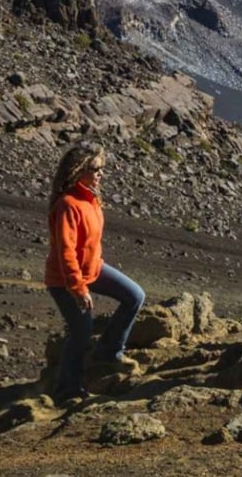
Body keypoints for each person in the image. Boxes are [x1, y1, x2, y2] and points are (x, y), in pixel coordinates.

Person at [45, 142, 146, 404]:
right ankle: (67, 389)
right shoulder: (68, 205)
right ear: (79, 170)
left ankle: (109, 352)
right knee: (81, 330)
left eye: (102, 168)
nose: (100, 173)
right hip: (65, 279)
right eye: (95, 168)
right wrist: (78, 289)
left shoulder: (91, 199)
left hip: (93, 269)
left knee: (134, 295)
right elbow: (65, 252)